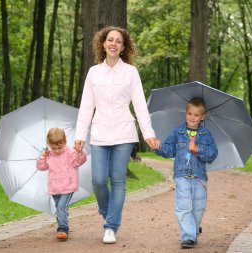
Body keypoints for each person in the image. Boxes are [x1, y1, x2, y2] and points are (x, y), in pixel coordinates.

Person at [74, 26, 159, 244]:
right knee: (99, 181)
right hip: (100, 132)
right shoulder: (94, 72)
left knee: (118, 180)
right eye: (110, 40)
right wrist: (80, 134)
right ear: (103, 44)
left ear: (123, 47)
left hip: (124, 132)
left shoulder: (131, 72)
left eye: (118, 41)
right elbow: (86, 106)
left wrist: (148, 133)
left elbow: (140, 105)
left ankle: (111, 226)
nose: (113, 44)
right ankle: (107, 210)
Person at [154, 97, 218, 249]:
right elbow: (169, 150)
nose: (192, 117)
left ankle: (194, 228)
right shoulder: (178, 132)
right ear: (185, 113)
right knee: (183, 206)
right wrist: (158, 147)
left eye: (196, 115)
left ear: (202, 117)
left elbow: (213, 154)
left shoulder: (206, 135)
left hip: (199, 177)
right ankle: (188, 236)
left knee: (199, 207)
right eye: (190, 113)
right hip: (182, 176)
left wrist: (198, 149)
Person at [36, 127, 87, 240]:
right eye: (54, 148)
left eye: (60, 147)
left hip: (68, 186)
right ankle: (62, 217)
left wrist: (79, 153)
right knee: (60, 207)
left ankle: (63, 228)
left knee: (60, 207)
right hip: (54, 188)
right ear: (49, 144)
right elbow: (41, 167)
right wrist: (42, 157)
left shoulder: (70, 153)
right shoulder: (48, 155)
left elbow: (79, 162)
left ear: (64, 142)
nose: (57, 150)